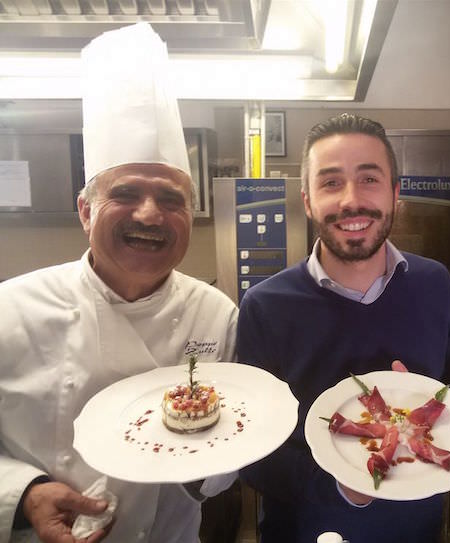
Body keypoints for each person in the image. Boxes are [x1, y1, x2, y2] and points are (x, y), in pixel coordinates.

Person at [0, 23, 238, 543]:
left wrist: (206, 463)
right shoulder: (9, 309)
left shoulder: (217, 314)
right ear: (86, 211)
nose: (150, 214)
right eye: (126, 193)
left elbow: (230, 452)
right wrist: (23, 494)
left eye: (171, 199)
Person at [237, 113, 450, 542]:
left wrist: (426, 416)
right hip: (303, 532)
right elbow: (251, 450)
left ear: (395, 194)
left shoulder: (435, 283)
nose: (350, 200)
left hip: (416, 529)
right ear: (307, 200)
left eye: (369, 179)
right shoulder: (265, 306)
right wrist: (344, 485)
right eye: (331, 182)